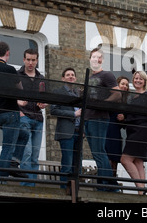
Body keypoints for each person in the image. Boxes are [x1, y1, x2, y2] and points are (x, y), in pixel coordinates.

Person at [0, 41, 29, 178]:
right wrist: (20, 100)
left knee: (24, 135)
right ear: (7, 53)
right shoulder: (9, 70)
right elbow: (20, 88)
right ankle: (1, 178)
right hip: (10, 113)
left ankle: (13, 164)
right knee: (8, 146)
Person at [85, 47, 120, 190]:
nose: (96, 59)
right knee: (96, 153)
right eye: (93, 57)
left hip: (99, 118)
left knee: (99, 152)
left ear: (102, 60)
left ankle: (108, 185)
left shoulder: (107, 75)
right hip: (88, 118)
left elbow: (117, 94)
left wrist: (104, 103)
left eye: (99, 57)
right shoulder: (90, 77)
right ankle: (109, 183)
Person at [118, 71, 147, 195]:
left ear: (145, 81)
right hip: (132, 130)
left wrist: (130, 118)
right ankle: (142, 193)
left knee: (125, 159)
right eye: (135, 78)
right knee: (138, 161)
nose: (137, 80)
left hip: (141, 130)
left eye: (140, 79)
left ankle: (141, 188)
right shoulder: (132, 97)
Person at [18, 48, 47, 186]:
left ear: (37, 60)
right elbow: (10, 96)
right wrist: (19, 112)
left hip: (38, 119)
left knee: (35, 156)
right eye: (28, 59)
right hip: (23, 117)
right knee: (26, 153)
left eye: (33, 60)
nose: (30, 62)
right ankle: (25, 187)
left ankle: (32, 187)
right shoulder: (17, 76)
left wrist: (45, 103)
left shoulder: (41, 78)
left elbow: (45, 98)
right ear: (24, 60)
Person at [51, 67, 82, 190]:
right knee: (67, 164)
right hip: (66, 132)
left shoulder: (78, 93)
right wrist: (73, 114)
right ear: (63, 78)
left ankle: (76, 190)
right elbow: (53, 110)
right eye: (68, 75)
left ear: (75, 78)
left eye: (73, 75)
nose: (71, 76)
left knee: (78, 165)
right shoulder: (58, 92)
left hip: (78, 132)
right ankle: (64, 189)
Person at [105, 76, 129, 177]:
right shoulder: (111, 97)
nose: (125, 86)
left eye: (127, 85)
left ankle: (112, 181)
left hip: (116, 132)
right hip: (107, 130)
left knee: (115, 158)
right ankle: (106, 181)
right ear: (117, 85)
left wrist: (123, 118)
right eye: (123, 84)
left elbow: (126, 122)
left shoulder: (125, 102)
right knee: (107, 157)